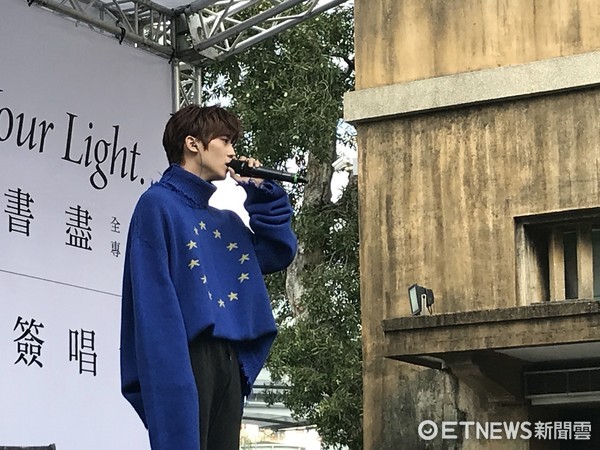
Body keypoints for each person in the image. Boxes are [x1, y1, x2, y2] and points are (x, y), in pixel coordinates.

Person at [119, 104, 298, 450]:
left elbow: (277, 251)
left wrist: (261, 190)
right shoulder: (157, 204)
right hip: (186, 357)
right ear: (193, 144)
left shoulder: (225, 221)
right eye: (225, 140)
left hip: (228, 360)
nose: (232, 152)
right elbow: (155, 307)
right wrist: (169, 378)